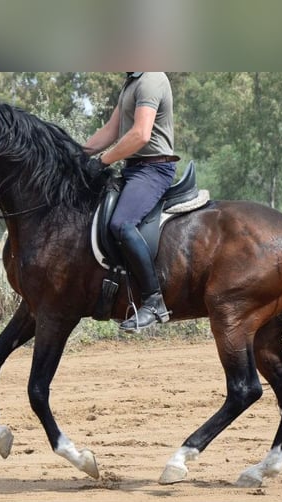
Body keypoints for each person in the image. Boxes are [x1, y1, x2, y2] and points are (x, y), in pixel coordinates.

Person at [83, 72, 179, 331]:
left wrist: (103, 161)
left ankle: (153, 301)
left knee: (122, 224)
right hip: (134, 168)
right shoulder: (132, 82)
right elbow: (109, 131)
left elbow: (140, 135)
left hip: (154, 168)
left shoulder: (151, 79)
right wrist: (76, 155)